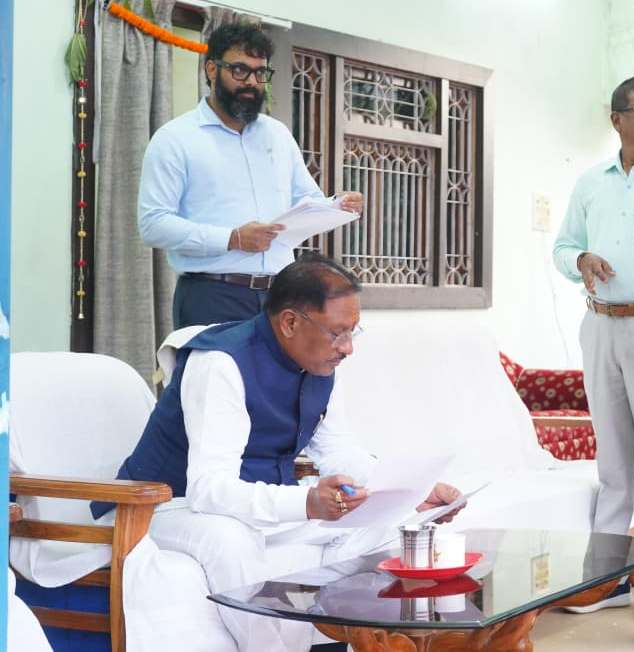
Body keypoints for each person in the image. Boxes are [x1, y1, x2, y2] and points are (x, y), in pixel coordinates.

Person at [91, 254, 462, 651]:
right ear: (289, 323)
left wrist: (408, 491)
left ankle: (347, 639)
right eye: (338, 333)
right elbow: (208, 490)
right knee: (229, 540)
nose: (348, 348)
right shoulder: (220, 364)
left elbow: (336, 450)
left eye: (353, 331)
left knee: (390, 527)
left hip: (253, 504)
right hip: (163, 506)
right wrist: (306, 502)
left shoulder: (320, 364)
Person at [137, 23, 363, 329]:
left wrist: (337, 204)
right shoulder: (176, 138)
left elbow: (306, 199)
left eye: (260, 72)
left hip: (282, 296)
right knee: (214, 364)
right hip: (212, 295)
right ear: (212, 69)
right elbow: (153, 224)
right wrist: (232, 238)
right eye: (240, 70)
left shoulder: (277, 134)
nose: (252, 82)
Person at [552, 75, 634, 611]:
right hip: (599, 325)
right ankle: (607, 581)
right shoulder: (591, 182)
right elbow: (563, 246)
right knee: (613, 461)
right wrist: (580, 260)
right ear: (616, 118)